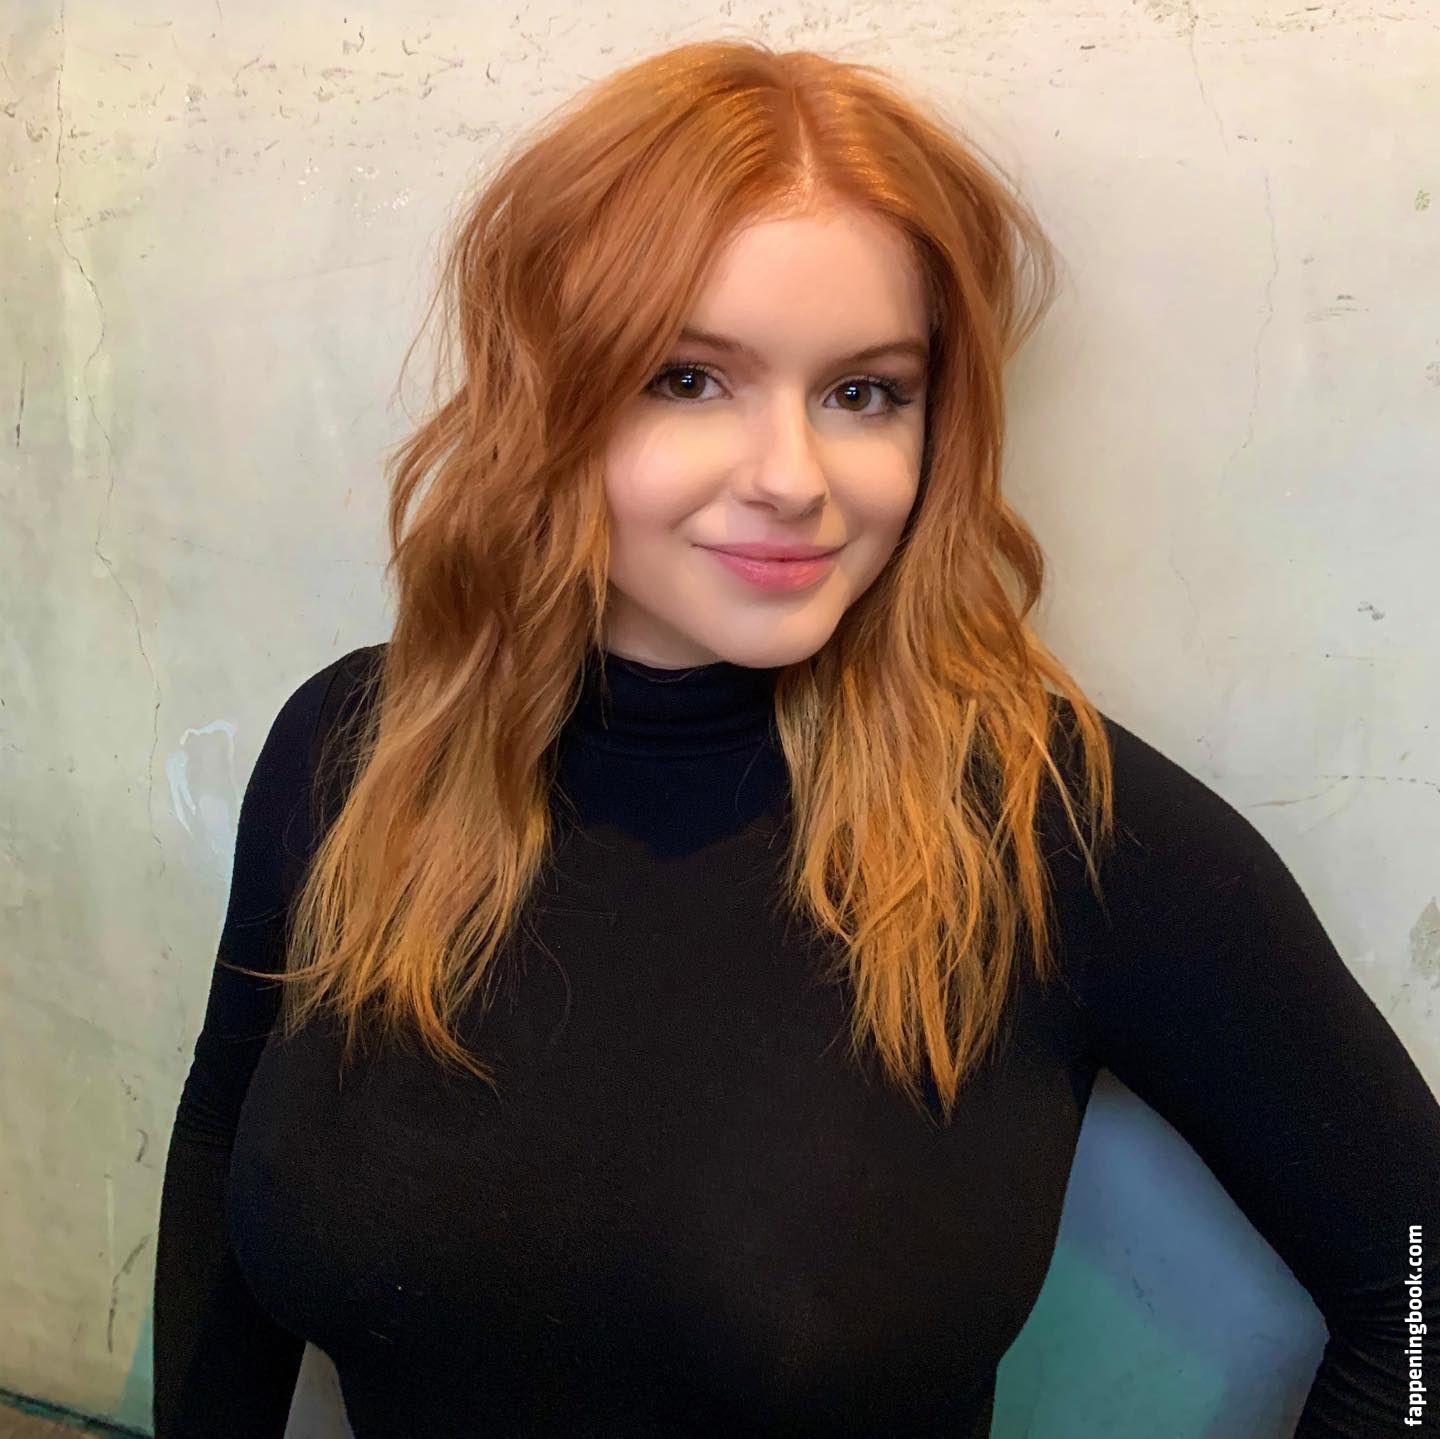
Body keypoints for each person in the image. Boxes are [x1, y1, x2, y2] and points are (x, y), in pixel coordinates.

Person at [153, 37, 1440, 1439]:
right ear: (547, 393)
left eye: (864, 392)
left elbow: (1418, 1282)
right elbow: (225, 1126)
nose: (793, 479)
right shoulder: (354, 748)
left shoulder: (1059, 823)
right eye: (688, 378)